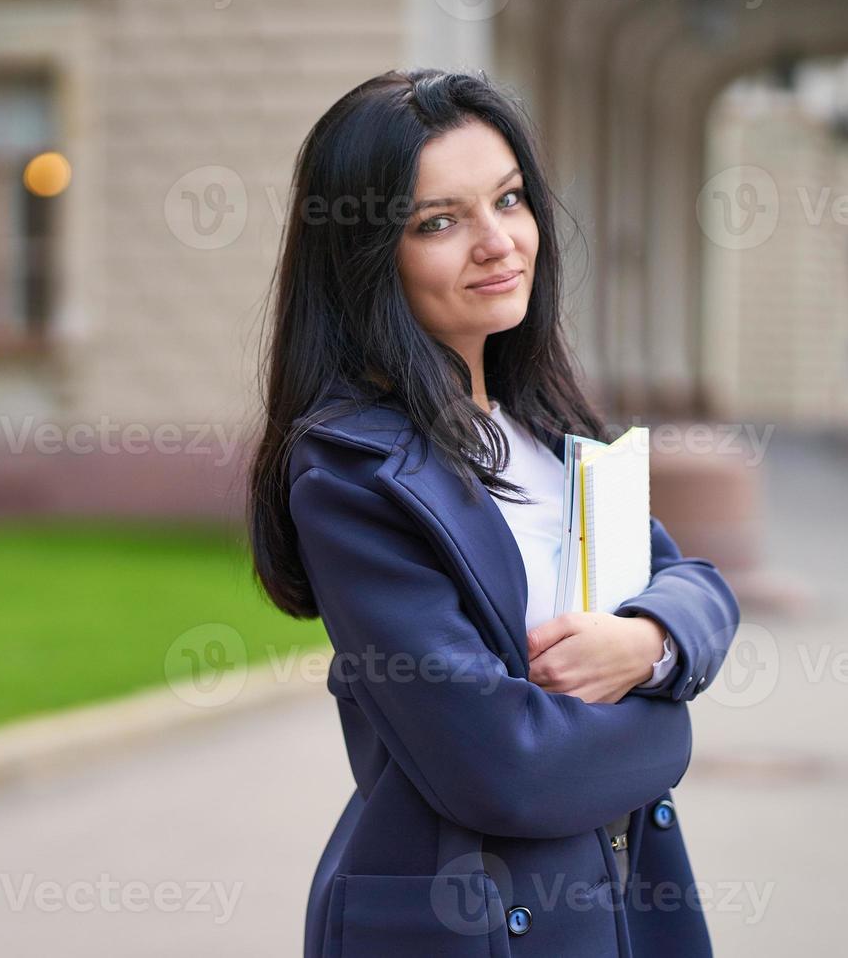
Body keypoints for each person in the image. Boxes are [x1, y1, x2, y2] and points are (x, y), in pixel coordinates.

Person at [246, 68, 741, 957]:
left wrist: (649, 645)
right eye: (439, 221)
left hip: (617, 902)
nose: (497, 242)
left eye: (509, 200)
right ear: (366, 254)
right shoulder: (354, 473)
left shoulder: (543, 425)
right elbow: (502, 765)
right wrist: (671, 717)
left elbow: (697, 586)